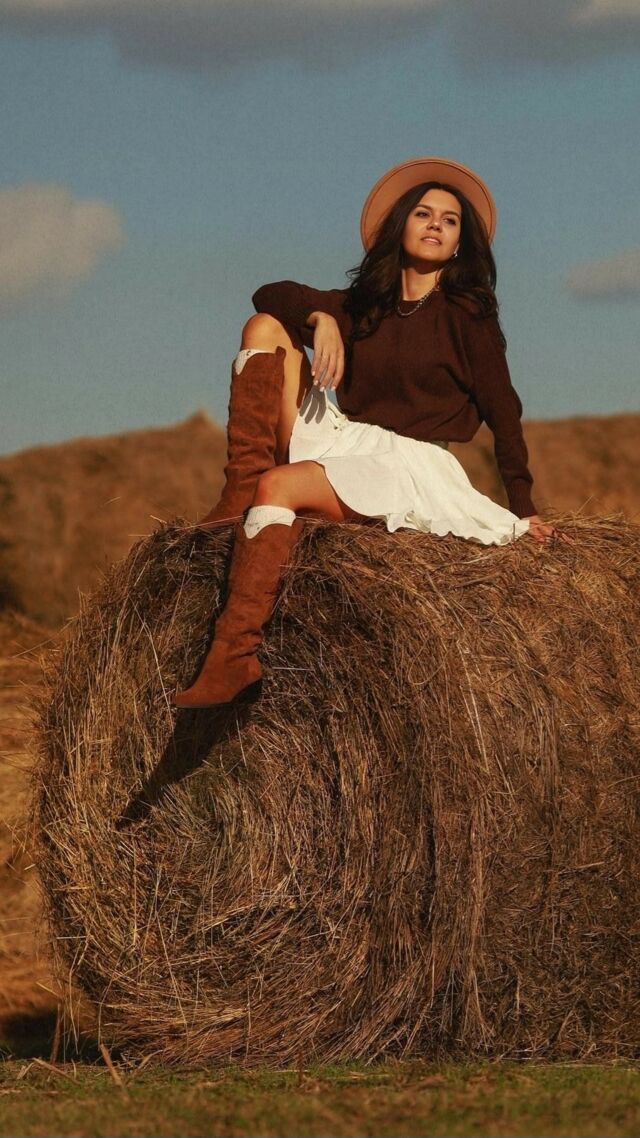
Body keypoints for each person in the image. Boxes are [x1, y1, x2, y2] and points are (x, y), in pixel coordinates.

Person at [173, 156, 556, 710]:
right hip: (345, 436)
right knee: (264, 328)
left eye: (450, 220)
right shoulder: (365, 307)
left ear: (459, 244)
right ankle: (239, 491)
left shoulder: (467, 315)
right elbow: (268, 292)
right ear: (400, 226)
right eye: (423, 213)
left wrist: (523, 506)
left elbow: (505, 411)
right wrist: (320, 319)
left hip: (408, 462)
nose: (435, 224)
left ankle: (236, 653)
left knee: (279, 486)